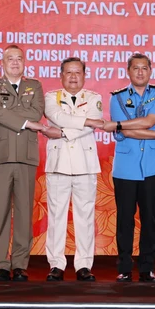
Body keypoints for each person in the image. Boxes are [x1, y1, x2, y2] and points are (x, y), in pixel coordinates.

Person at [105, 53, 155, 283]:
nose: (140, 72)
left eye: (144, 68)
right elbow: (129, 132)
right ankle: (124, 267)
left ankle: (147, 267)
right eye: (135, 68)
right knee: (124, 219)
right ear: (128, 72)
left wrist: (118, 124)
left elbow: (150, 120)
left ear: (151, 71)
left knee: (150, 218)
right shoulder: (117, 97)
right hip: (125, 166)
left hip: (153, 165)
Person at [0, 45, 47, 282]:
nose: (15, 62)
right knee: (0, 211)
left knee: (23, 213)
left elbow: (37, 112)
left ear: (25, 62)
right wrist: (26, 121)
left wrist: (13, 111)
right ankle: (1, 263)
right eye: (11, 59)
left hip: (26, 156)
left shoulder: (35, 86)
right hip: (1, 156)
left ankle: (20, 264)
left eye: (19, 58)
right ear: (2, 62)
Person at [42, 57, 104, 282]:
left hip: (85, 164)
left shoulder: (94, 98)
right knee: (56, 216)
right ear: (61, 75)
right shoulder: (51, 97)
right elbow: (56, 117)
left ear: (85, 75)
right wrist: (84, 121)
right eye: (69, 72)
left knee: (85, 216)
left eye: (78, 72)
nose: (73, 77)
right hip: (58, 163)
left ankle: (84, 265)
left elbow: (94, 120)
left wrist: (65, 131)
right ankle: (56, 264)